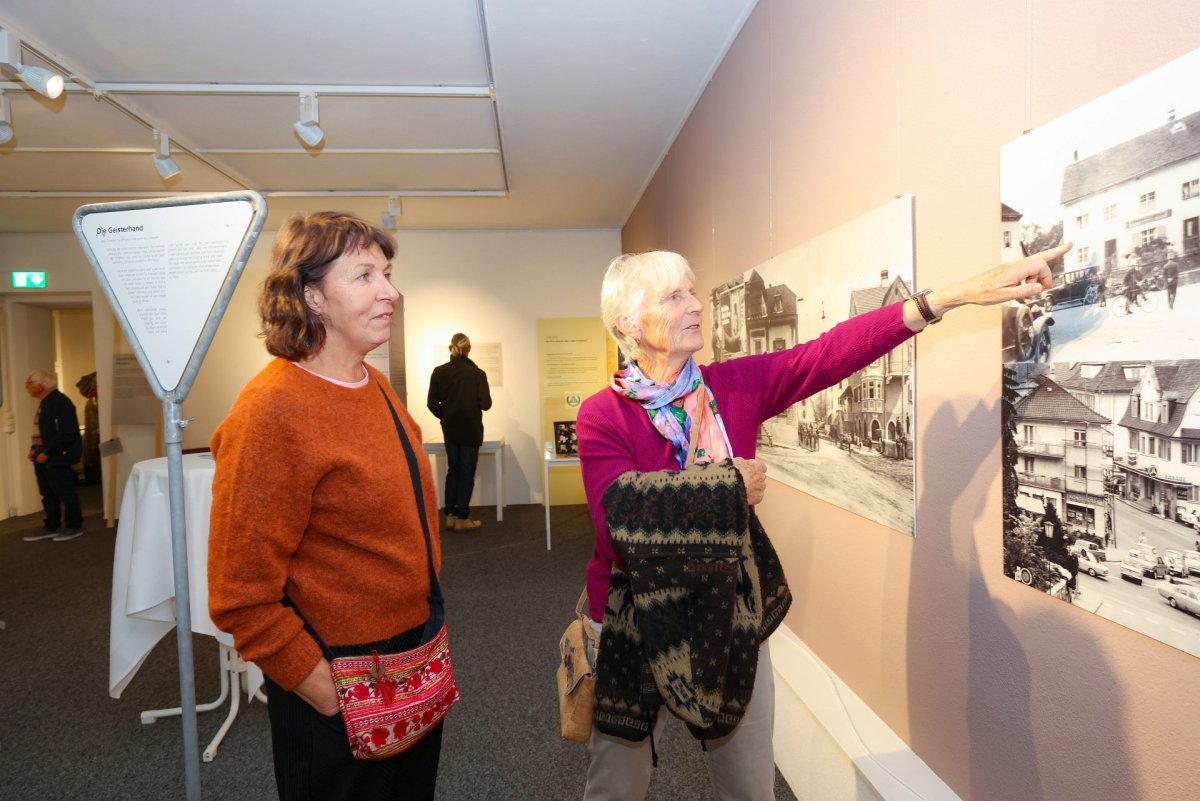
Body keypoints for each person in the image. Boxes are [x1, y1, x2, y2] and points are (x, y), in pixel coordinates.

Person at [575, 243, 1070, 800]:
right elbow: (615, 526)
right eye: (674, 296)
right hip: (632, 623)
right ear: (628, 323)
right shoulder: (602, 414)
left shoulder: (732, 387)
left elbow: (830, 353)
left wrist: (950, 297)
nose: (695, 304)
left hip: (729, 615)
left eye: (692, 291)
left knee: (749, 789)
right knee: (616, 787)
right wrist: (728, 487)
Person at [208, 212, 445, 801]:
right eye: (364, 275)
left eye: (386, 274)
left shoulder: (376, 385)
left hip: (410, 660)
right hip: (337, 674)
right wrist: (323, 690)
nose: (390, 292)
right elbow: (241, 594)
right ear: (311, 296)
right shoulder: (270, 413)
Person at [427, 333, 492, 532]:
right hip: (471, 430)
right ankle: (462, 518)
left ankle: (450, 516)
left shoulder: (439, 372)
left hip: (450, 430)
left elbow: (431, 403)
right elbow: (486, 404)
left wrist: (445, 416)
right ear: (468, 349)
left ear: (451, 348)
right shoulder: (477, 374)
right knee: (466, 473)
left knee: (453, 470)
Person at [22, 370, 84, 542]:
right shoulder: (46, 402)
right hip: (43, 455)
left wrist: (48, 453)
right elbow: (46, 432)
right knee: (48, 493)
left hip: (57, 456)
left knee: (65, 492)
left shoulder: (60, 402)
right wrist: (35, 449)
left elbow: (67, 433)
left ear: (41, 385)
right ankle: (51, 526)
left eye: (29, 383)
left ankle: (74, 526)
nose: (27, 387)